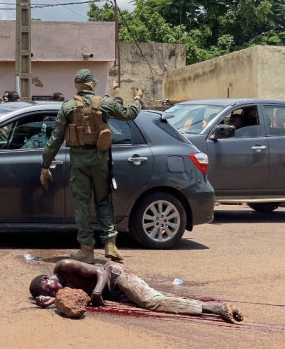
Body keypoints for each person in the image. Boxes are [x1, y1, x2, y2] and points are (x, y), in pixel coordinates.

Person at [40, 69, 143, 263]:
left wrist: (45, 166)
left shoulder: (68, 107)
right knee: (103, 201)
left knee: (81, 205)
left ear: (77, 86)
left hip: (79, 164)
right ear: (91, 84)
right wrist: (137, 98)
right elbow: (129, 114)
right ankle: (110, 244)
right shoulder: (104, 103)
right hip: (100, 162)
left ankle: (87, 250)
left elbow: (54, 139)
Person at [29, 259, 244, 324]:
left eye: (51, 287)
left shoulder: (64, 266)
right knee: (156, 299)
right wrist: (49, 301)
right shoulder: (62, 291)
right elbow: (70, 303)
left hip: (115, 275)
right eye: (51, 292)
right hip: (113, 292)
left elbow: (100, 272)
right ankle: (209, 307)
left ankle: (214, 308)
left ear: (48, 278)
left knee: (150, 301)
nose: (56, 291)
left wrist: (96, 292)